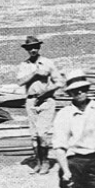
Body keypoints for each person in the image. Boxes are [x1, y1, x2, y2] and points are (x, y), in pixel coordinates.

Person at [16, 35, 64, 174]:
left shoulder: (48, 63)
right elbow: (20, 82)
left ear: (39, 47)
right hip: (31, 101)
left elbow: (60, 82)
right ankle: (38, 162)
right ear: (26, 49)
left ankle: (46, 162)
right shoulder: (24, 65)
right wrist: (35, 74)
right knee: (34, 135)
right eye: (30, 47)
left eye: (35, 47)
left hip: (46, 101)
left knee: (42, 133)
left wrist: (48, 92)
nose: (33, 50)